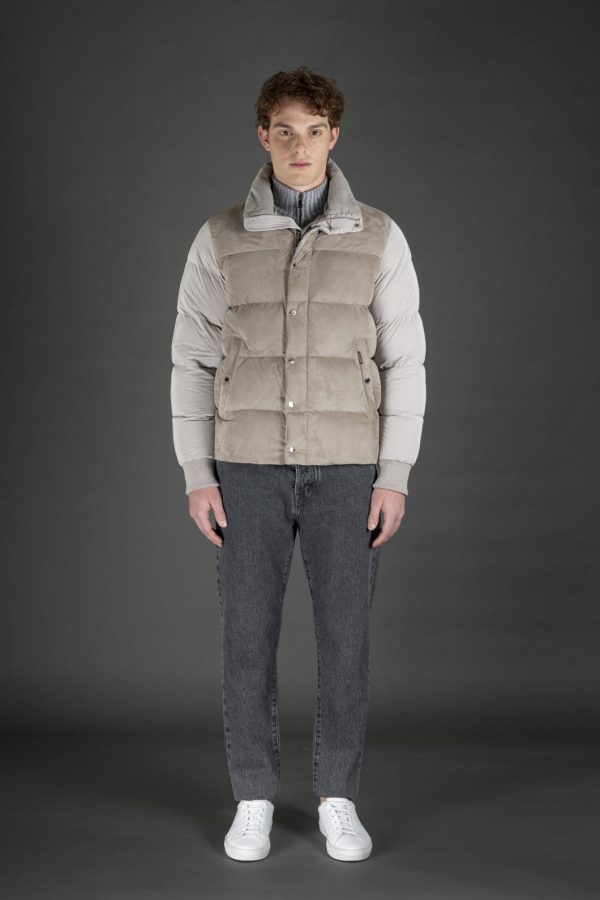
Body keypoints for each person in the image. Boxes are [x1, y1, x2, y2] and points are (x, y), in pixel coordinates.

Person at [170, 65, 426, 862]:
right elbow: (190, 359)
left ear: (334, 135)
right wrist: (198, 472)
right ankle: (252, 795)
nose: (300, 146)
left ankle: (337, 797)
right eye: (284, 131)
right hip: (244, 468)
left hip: (347, 470)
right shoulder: (220, 237)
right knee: (247, 639)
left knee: (345, 641)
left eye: (314, 131)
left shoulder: (379, 237)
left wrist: (393, 473)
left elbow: (405, 360)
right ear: (263, 135)